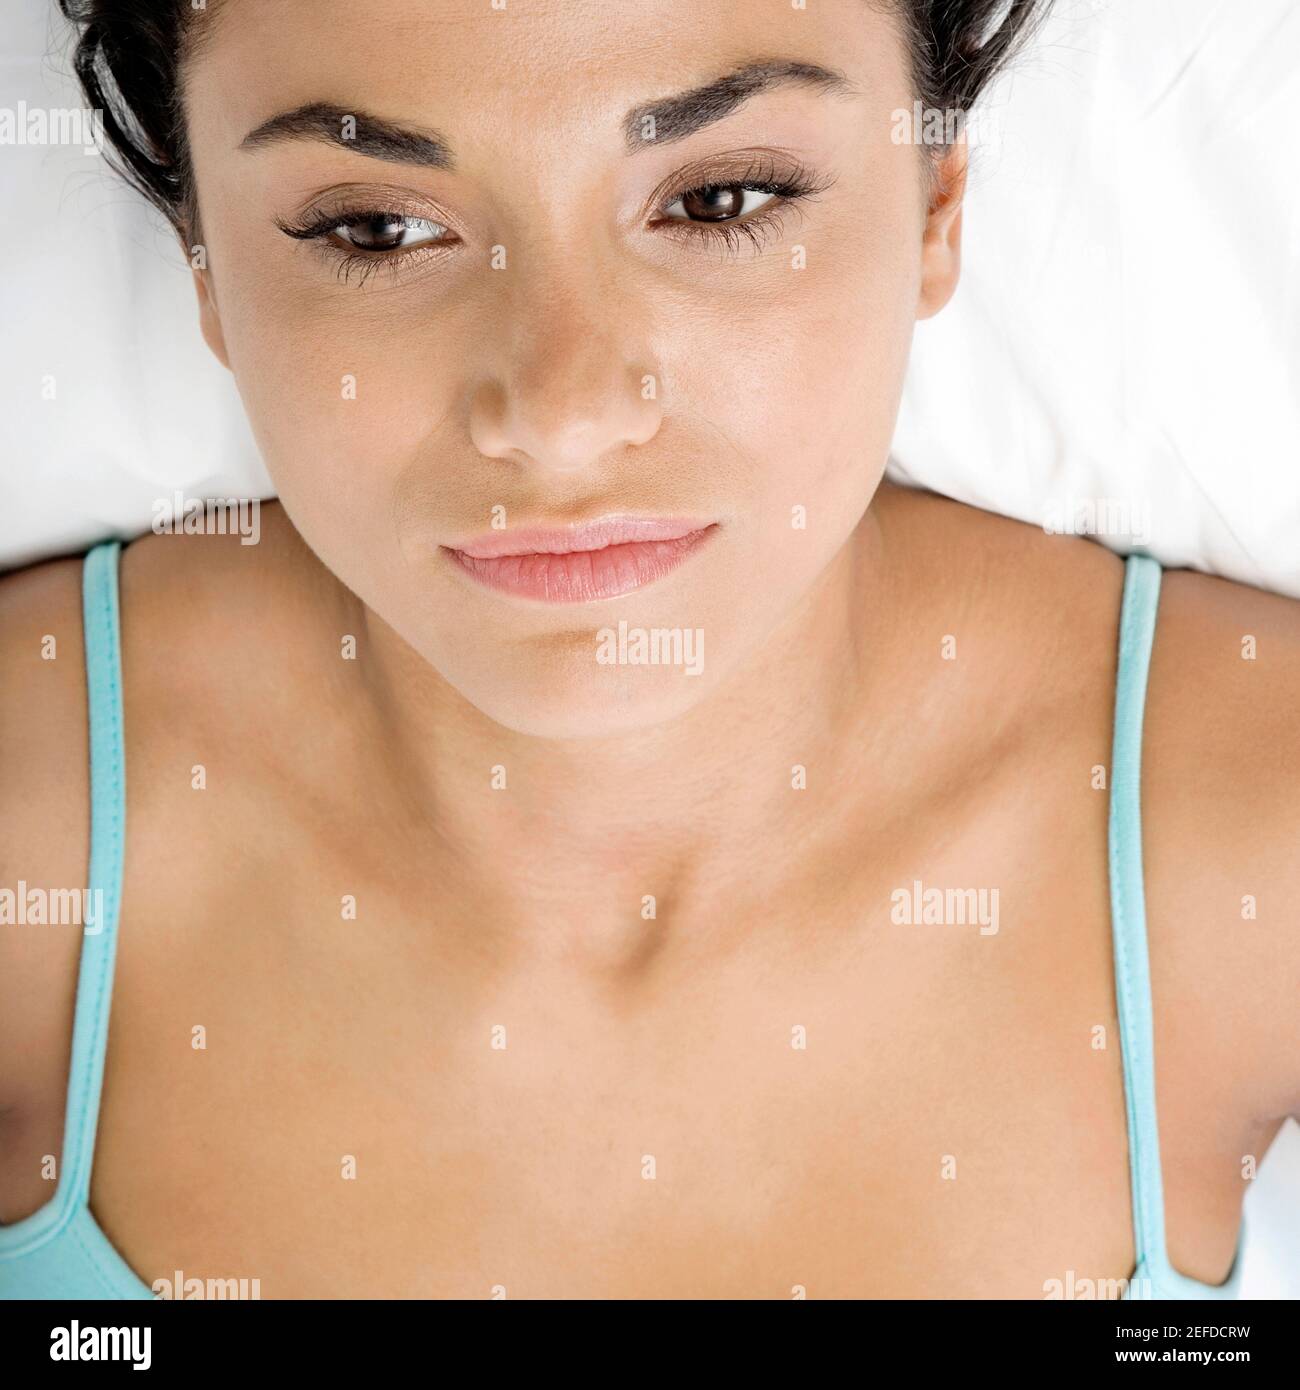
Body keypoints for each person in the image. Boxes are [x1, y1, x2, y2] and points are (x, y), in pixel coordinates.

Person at [0, 0, 1296, 1299]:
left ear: (935, 208)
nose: (561, 415)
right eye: (376, 229)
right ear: (206, 264)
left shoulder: (1248, 831)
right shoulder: (31, 837)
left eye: (723, 199)